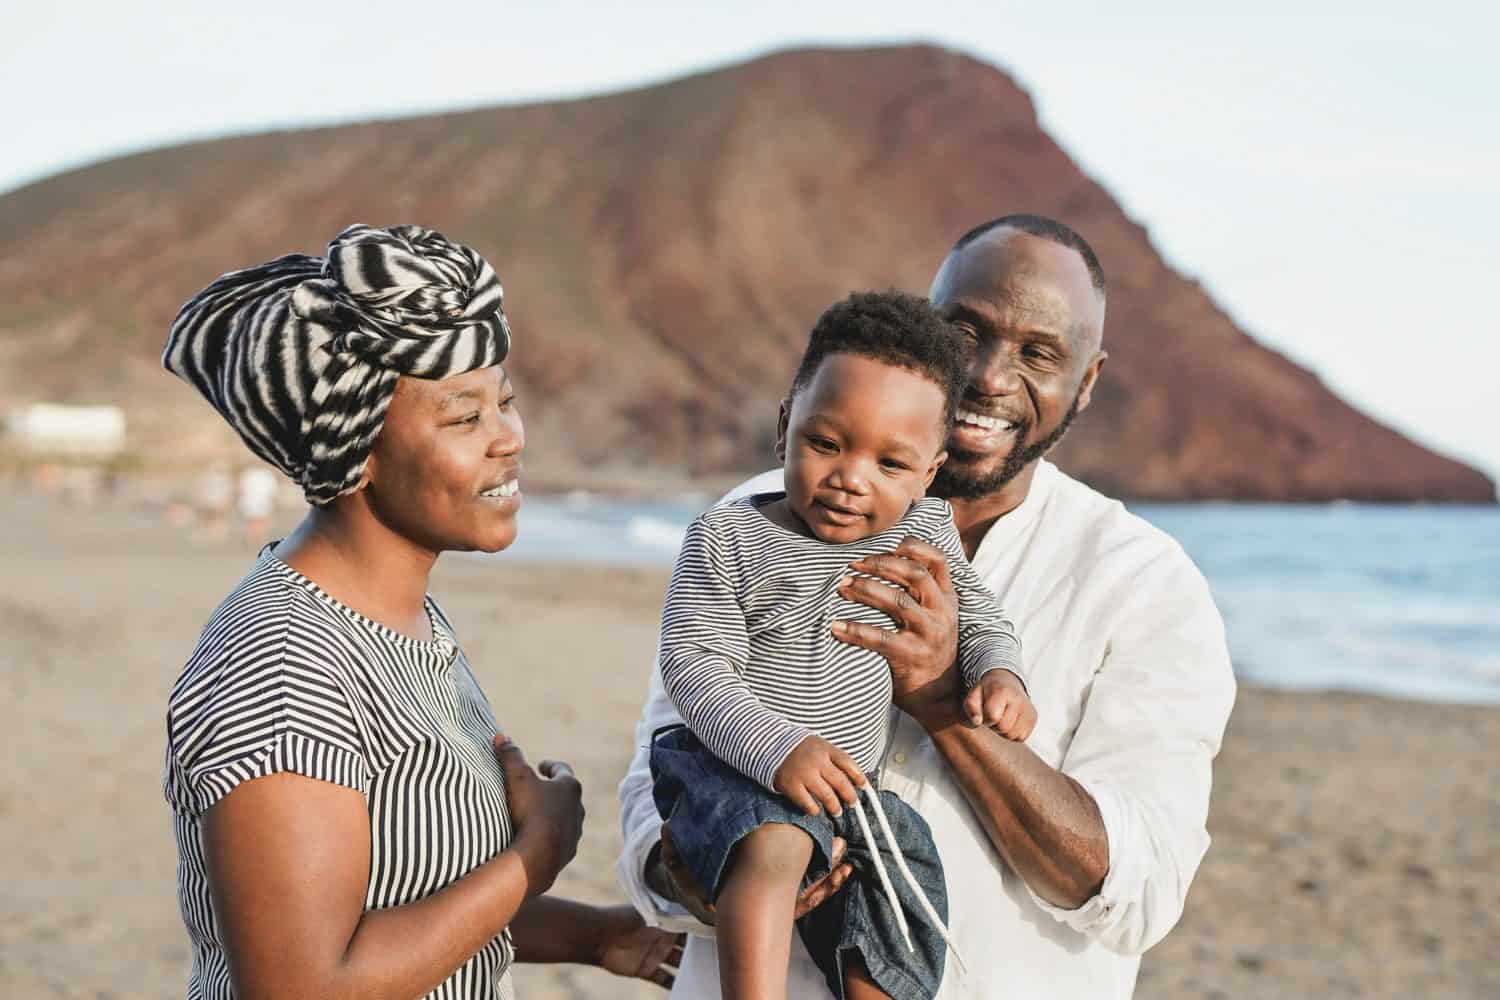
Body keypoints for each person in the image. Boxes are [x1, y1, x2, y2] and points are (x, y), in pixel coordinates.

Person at [617, 214, 1237, 998]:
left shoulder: (1146, 584)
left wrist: (946, 701)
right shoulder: (752, 518)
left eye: (1038, 353)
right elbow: (652, 783)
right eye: (963, 331)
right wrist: (704, 871)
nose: (986, 376)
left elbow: (1137, 893)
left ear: (1087, 381)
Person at [162, 224, 682, 999]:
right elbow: (303, 983)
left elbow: (410, 906)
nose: (509, 439)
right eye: (462, 417)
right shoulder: (282, 664)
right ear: (355, 448)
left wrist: (598, 935)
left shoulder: (407, 626)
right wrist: (530, 860)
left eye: (504, 402)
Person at [651, 292, 1034, 1000]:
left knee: (899, 889)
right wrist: (777, 750)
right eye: (826, 444)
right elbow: (694, 665)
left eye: (891, 463)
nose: (851, 477)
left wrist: (999, 673)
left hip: (851, 793)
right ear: (783, 427)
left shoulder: (924, 537)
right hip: (733, 769)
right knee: (774, 841)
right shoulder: (728, 536)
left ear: (929, 474)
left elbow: (981, 617)